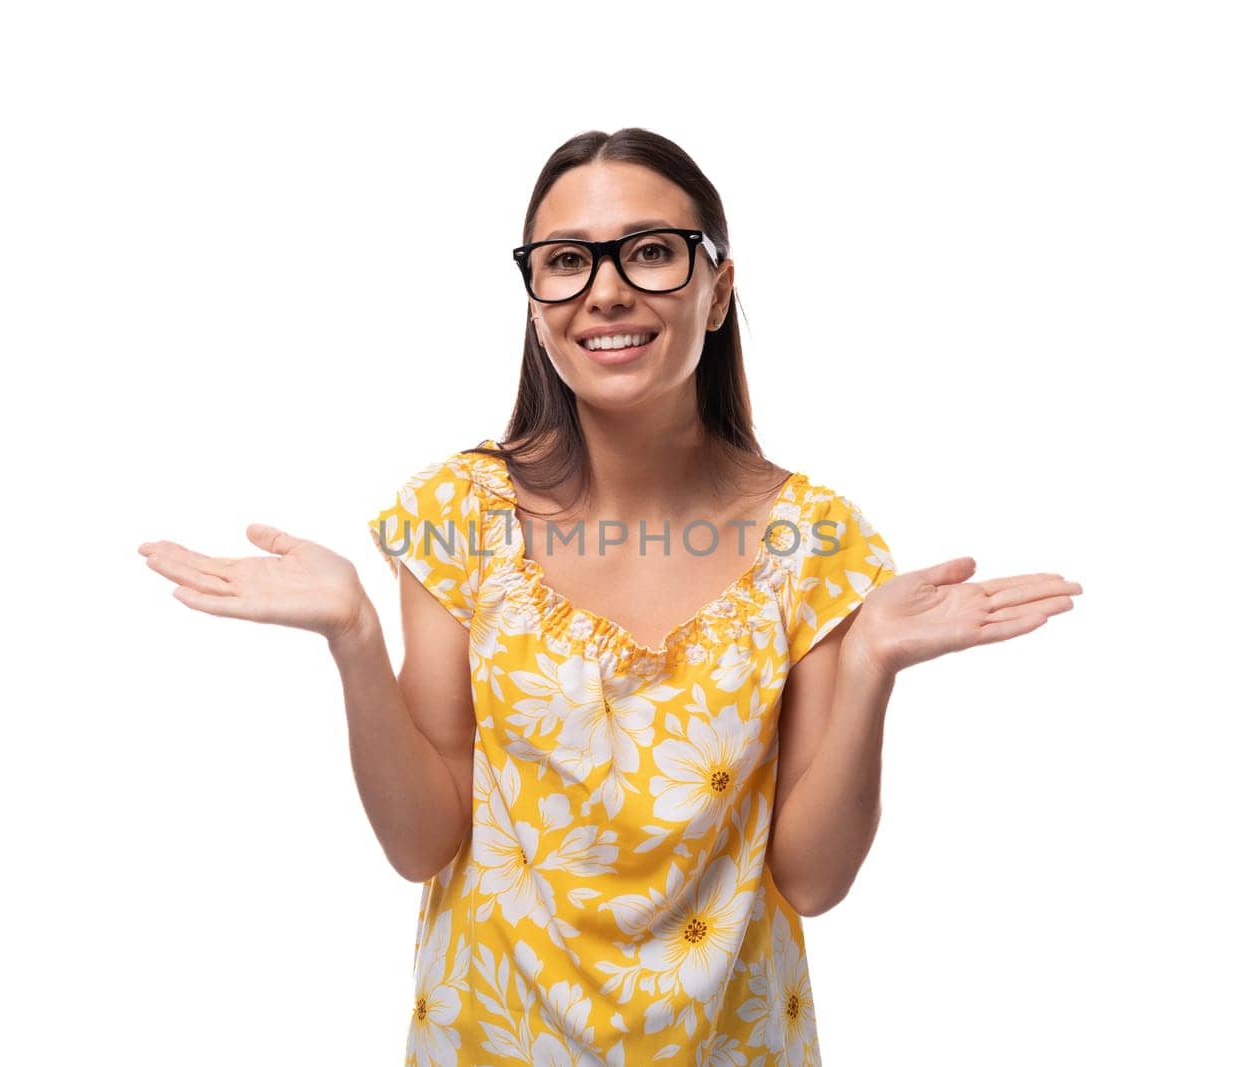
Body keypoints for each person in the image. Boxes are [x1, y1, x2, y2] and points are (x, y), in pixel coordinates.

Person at [137, 127, 1082, 1066]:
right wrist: (352, 635)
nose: (606, 290)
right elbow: (423, 843)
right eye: (565, 262)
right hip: (490, 1041)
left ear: (718, 289)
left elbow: (815, 877)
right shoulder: (456, 514)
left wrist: (874, 664)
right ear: (537, 302)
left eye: (651, 252)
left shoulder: (815, 539)